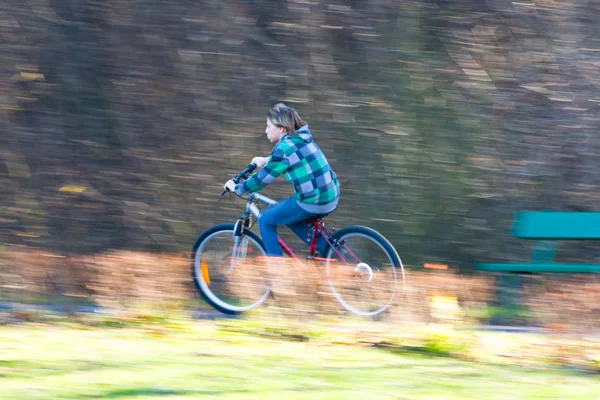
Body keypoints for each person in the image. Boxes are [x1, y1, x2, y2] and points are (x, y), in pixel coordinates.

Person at [224, 103, 340, 257]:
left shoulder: (283, 149)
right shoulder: (301, 138)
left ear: (281, 129)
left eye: (268, 126)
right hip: (331, 194)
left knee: (265, 219)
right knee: (288, 215)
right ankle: (333, 251)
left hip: (313, 200)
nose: (265, 130)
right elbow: (293, 156)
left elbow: (261, 180)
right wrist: (265, 160)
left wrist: (237, 188)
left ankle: (277, 272)